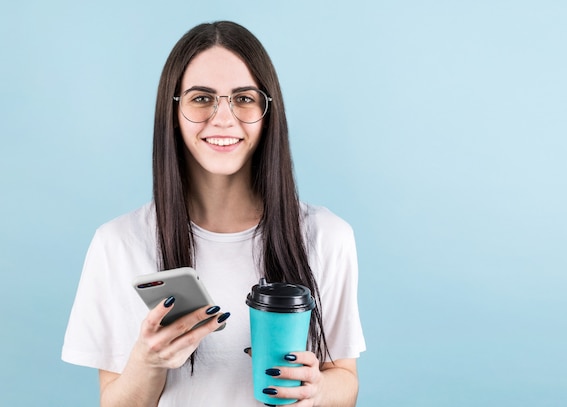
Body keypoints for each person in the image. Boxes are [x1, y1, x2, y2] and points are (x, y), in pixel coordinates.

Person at [62, 21, 365, 406]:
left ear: (267, 112)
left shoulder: (327, 237)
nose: (223, 119)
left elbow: (347, 381)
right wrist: (149, 360)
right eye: (202, 98)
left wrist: (318, 391)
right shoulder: (118, 243)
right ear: (173, 111)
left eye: (243, 99)